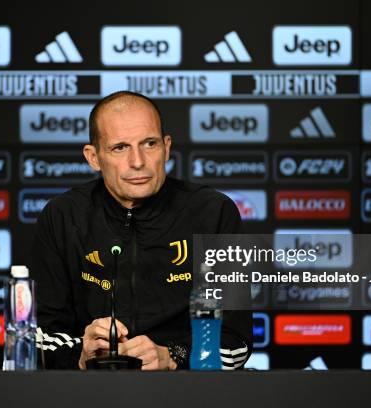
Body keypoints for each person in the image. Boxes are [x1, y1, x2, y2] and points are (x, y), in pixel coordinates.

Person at [30, 91, 252, 370]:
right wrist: (81, 355)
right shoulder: (62, 216)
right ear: (93, 157)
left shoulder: (214, 213)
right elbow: (38, 339)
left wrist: (171, 356)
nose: (137, 161)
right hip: (89, 395)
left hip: (186, 395)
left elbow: (236, 343)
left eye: (149, 143)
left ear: (167, 147)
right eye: (120, 147)